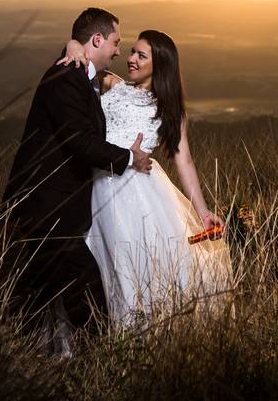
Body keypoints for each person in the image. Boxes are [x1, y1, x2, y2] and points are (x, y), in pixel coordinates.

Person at [60, 29, 233, 325]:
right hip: (95, 184)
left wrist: (202, 213)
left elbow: (185, 161)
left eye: (141, 55)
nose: (131, 59)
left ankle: (135, 339)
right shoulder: (111, 83)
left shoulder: (170, 111)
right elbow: (81, 57)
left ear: (160, 64)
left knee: (138, 270)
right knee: (92, 267)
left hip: (140, 196)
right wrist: (73, 45)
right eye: (131, 52)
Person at [2, 8, 152, 338]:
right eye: (115, 42)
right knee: (87, 299)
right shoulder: (65, 78)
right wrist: (131, 159)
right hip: (47, 211)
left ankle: (21, 356)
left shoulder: (81, 76)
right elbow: (80, 142)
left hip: (55, 213)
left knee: (33, 299)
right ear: (97, 40)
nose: (117, 50)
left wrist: (71, 44)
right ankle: (97, 368)